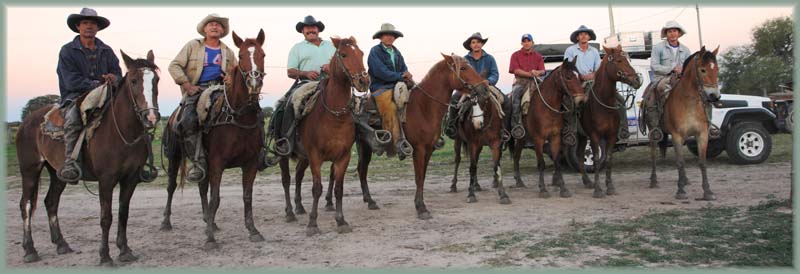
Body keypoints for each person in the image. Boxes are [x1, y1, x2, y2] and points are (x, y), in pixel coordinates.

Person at [168, 13, 237, 183]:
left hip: (221, 89)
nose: (214, 27)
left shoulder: (228, 51)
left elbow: (236, 71)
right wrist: (187, 85)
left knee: (247, 111)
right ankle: (198, 162)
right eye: (211, 24)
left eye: (218, 25)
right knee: (188, 120)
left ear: (222, 30)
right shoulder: (193, 46)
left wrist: (231, 77)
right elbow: (174, 66)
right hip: (197, 89)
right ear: (204, 29)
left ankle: (256, 154)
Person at [57, 8, 122, 183]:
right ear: (78, 26)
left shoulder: (106, 50)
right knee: (73, 118)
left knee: (127, 115)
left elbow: (118, 73)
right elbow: (71, 80)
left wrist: (113, 78)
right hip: (76, 95)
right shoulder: (67, 51)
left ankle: (136, 162)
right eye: (85, 23)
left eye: (93, 23)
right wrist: (96, 83)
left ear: (98, 28)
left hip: (105, 94)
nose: (89, 27)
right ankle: (71, 162)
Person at [267, 15, 335, 155]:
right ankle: (286, 139)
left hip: (331, 83)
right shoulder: (297, 48)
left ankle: (354, 136)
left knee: (352, 103)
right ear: (303, 31)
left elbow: (342, 65)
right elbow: (290, 71)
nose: (310, 29)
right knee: (289, 103)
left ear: (318, 30)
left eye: (313, 27)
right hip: (307, 84)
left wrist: (331, 67)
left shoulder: (330, 46)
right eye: (307, 28)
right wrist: (305, 73)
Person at [564, 25, 628, 140]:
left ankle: (622, 129)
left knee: (620, 100)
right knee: (571, 103)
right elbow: (567, 68)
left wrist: (593, 75)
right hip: (577, 82)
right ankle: (571, 130)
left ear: (589, 37)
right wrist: (581, 76)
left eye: (586, 34)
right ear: (577, 37)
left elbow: (599, 68)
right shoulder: (570, 50)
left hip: (594, 81)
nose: (583, 36)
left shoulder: (594, 51)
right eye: (581, 34)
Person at [367, 23, 413, 158]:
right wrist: (400, 76)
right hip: (380, 87)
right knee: (390, 108)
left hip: (397, 85)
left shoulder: (397, 52)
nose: (389, 37)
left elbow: (403, 68)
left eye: (392, 35)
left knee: (416, 100)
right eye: (386, 35)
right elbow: (380, 72)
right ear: (381, 37)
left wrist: (407, 75)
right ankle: (395, 144)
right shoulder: (375, 51)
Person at [446, 32, 499, 138]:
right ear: (470, 45)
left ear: (482, 44)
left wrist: (489, 81)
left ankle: (504, 129)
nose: (476, 44)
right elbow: (459, 75)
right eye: (473, 42)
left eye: (478, 42)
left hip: (485, 86)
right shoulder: (464, 59)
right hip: (469, 88)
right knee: (454, 99)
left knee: (505, 101)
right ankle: (452, 126)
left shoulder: (490, 58)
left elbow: (495, 74)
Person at [507, 33, 545, 139]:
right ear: (522, 43)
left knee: (548, 95)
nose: (526, 43)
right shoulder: (515, 55)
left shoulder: (538, 56)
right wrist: (530, 73)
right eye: (524, 41)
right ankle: (516, 125)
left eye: (528, 41)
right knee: (515, 97)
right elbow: (516, 70)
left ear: (532, 43)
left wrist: (537, 72)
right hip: (521, 82)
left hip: (535, 81)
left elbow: (543, 71)